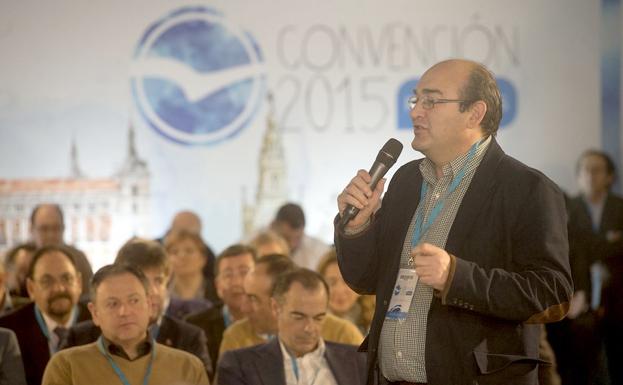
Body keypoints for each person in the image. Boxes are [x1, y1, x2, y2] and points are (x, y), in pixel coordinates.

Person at [335, 59, 573, 385]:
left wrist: (455, 277)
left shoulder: (526, 188)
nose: (416, 111)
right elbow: (364, 279)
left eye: (431, 101)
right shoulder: (405, 180)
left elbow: (552, 294)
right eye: (415, 100)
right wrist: (358, 227)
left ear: (474, 113)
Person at [62, 238, 213, 379]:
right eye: (143, 281)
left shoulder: (189, 338)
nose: (153, 290)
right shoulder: (79, 338)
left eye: (159, 280)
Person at [41, 264, 209, 385]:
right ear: (95, 313)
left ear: (150, 305)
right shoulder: (67, 365)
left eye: (134, 301)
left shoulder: (188, 366)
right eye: (112, 304)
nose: (124, 311)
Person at [216, 268, 367, 385]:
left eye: (318, 318)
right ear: (276, 307)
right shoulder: (240, 365)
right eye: (299, 317)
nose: (309, 328)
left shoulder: (358, 362)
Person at [560, 149, 623, 384]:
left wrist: (597, 244)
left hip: (618, 295)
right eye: (585, 169)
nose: (590, 175)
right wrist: (609, 240)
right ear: (577, 177)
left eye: (597, 170)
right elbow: (573, 247)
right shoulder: (567, 207)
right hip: (580, 292)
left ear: (609, 177)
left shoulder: (620, 207)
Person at [219, 254, 363, 355]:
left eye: (253, 299)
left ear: (277, 303)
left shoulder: (343, 336)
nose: (243, 308)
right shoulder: (236, 337)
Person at [0, 245, 90, 385]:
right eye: (47, 281)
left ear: (79, 283)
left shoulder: (101, 323)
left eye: (66, 278)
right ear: (31, 288)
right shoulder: (8, 330)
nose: (59, 288)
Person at [184, 244, 256, 372]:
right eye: (228, 275)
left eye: (244, 272)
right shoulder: (194, 327)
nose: (236, 282)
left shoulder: (274, 322)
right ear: (218, 286)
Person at [29, 204, 93, 295]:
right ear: (32, 230)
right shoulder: (22, 260)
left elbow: (90, 295)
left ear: (63, 228)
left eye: (56, 228)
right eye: (44, 229)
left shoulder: (79, 259)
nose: (50, 235)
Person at [317, 248, 375, 334]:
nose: (340, 290)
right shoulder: (311, 325)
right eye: (332, 282)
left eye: (347, 282)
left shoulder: (374, 321)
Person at [165, 230, 218, 316]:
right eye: (174, 252)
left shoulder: (217, 291)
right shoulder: (161, 293)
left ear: (203, 258)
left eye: (189, 251)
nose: (182, 256)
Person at [270, 203, 330, 270]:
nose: (292, 245)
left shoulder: (320, 251)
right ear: (273, 226)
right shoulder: (262, 245)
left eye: (297, 238)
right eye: (286, 238)